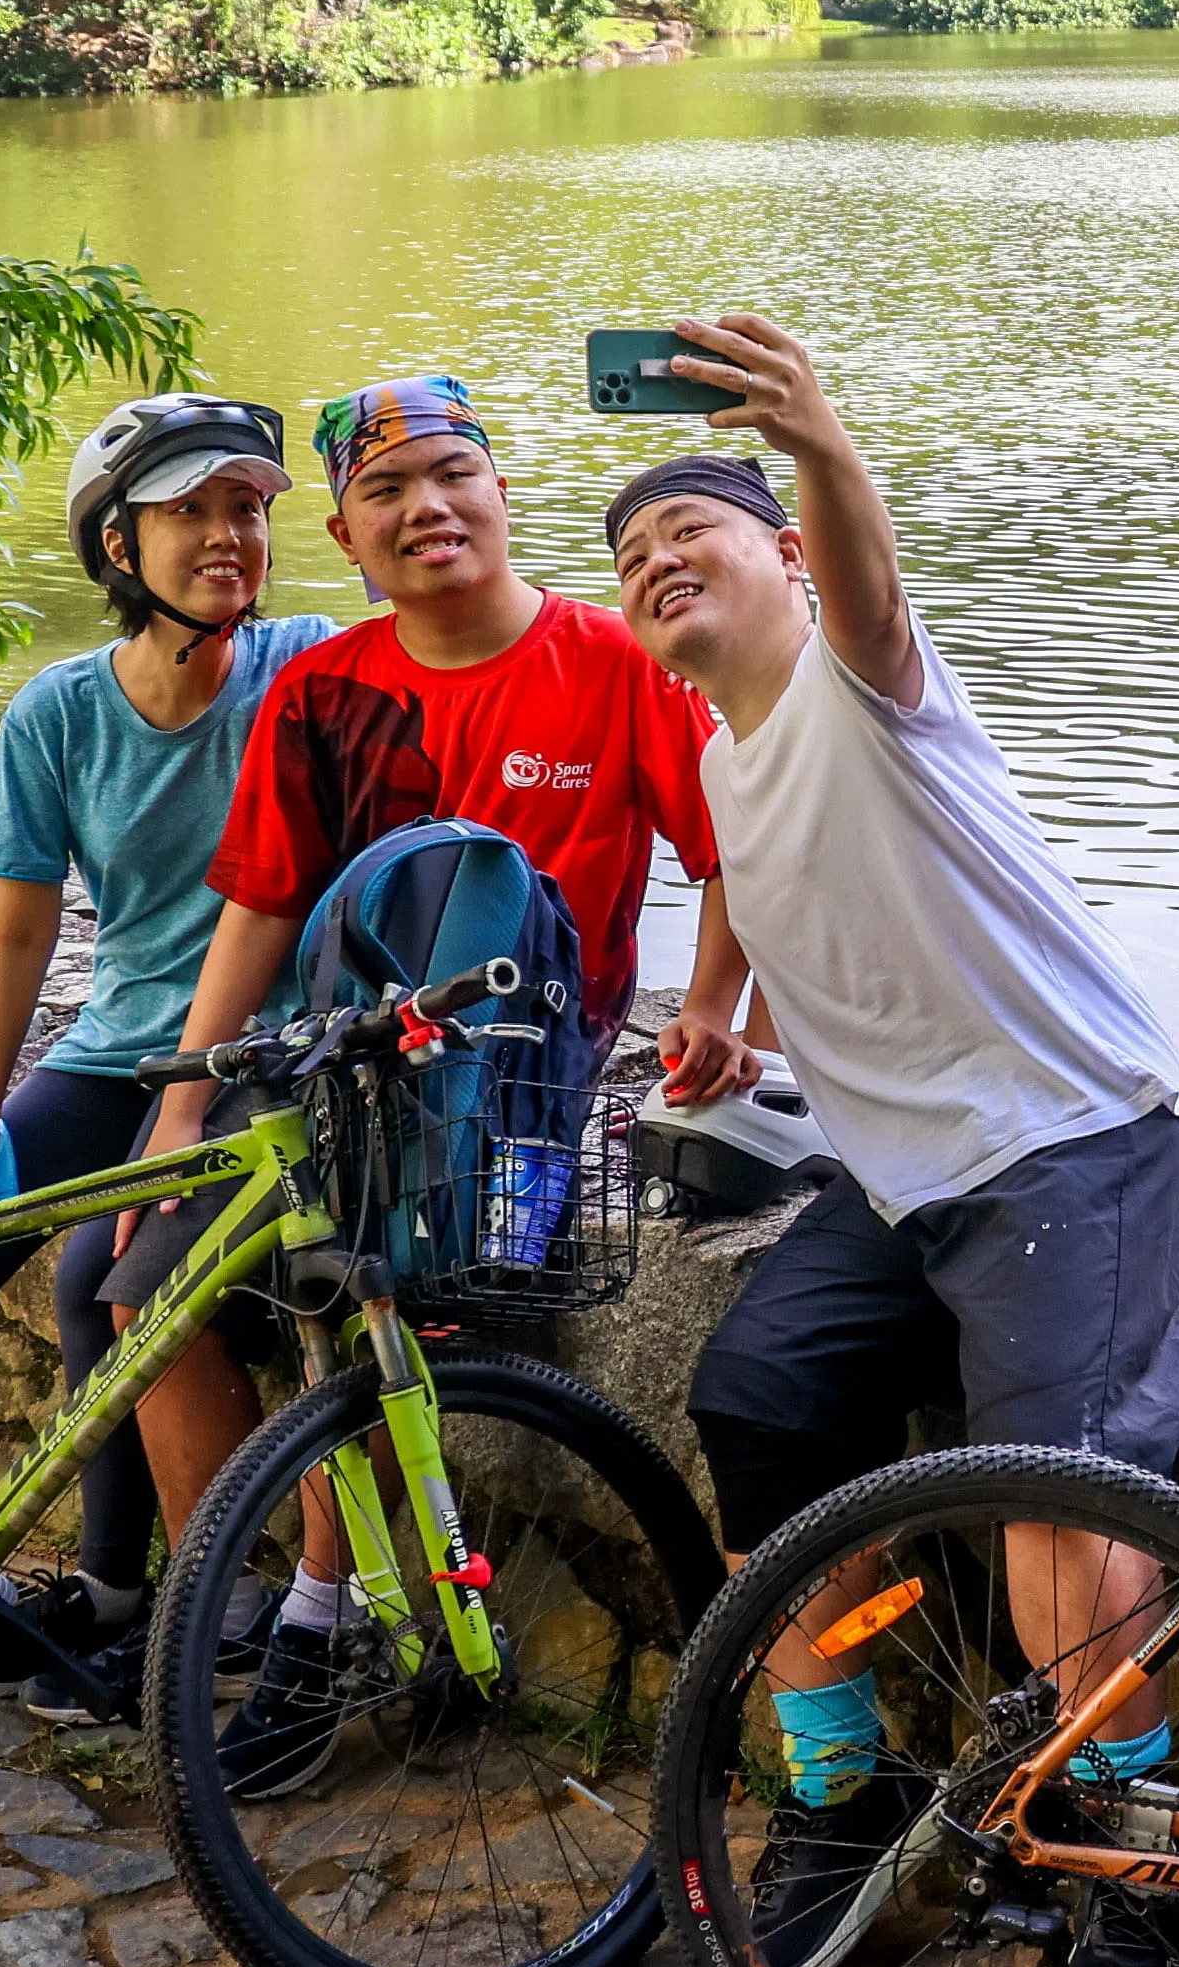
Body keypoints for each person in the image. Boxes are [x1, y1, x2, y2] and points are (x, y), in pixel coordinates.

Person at [602, 309, 1179, 1967]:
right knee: (759, 1407)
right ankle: (845, 1790)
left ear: (783, 557)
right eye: (631, 560)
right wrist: (724, 1018)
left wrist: (816, 437)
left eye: (690, 533)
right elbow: (771, 887)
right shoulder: (726, 755)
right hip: (900, 1183)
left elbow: (867, 587)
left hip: (1070, 1144)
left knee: (1054, 1518)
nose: (656, 564)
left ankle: (1137, 1873)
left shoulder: (864, 684)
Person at [149, 369, 750, 1788]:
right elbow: (262, 905)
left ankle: (324, 1621)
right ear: (347, 537)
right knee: (144, 1286)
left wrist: (714, 1009)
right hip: (342, 1071)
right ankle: (214, 1614)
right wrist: (178, 1108)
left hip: (520, 1093)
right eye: (385, 490)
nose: (427, 507)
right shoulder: (324, 691)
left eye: (452, 474)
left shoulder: (615, 661)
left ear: (499, 489)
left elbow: (735, 851)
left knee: (383, 1301)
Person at [0, 395, 325, 1717]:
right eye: (191, 512)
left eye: (246, 509)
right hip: (113, 1052)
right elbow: (21, 929)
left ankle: (120, 1591)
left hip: (255, 1059)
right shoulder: (59, 714)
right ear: (119, 547)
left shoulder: (308, 666)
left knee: (99, 1278)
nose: (229, 535)